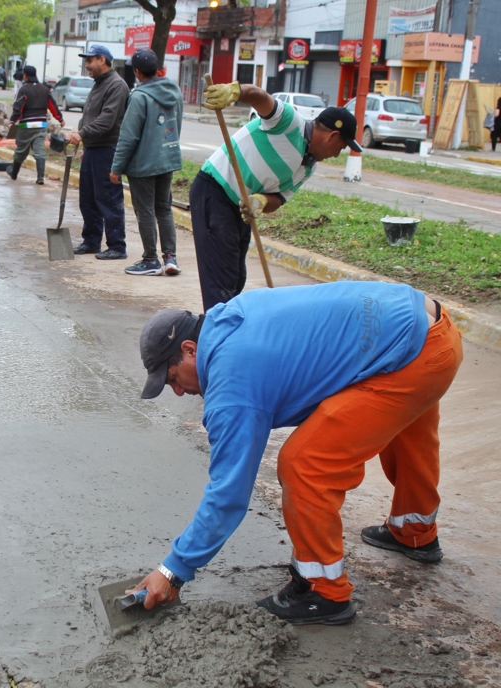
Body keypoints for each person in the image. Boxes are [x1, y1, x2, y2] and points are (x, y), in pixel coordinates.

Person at [131, 280, 462, 625]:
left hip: (411, 353)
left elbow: (228, 494)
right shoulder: (229, 318)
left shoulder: (232, 384)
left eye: (172, 379)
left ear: (189, 349)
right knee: (409, 427)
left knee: (304, 464)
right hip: (428, 330)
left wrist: (173, 571)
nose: (179, 392)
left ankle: (323, 591)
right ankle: (415, 530)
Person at [192, 81, 362, 311]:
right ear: (332, 136)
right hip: (215, 190)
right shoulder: (289, 123)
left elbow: (279, 198)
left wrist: (261, 202)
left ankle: (227, 331)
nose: (336, 155)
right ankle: (216, 337)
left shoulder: (308, 167)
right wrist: (232, 92)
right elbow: (258, 96)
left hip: (240, 207)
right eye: (341, 148)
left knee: (235, 278)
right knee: (220, 279)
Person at [111, 49, 183, 277]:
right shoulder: (175, 92)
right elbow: (176, 125)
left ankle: (150, 260)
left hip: (143, 164)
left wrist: (116, 167)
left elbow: (129, 135)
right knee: (164, 208)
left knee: (145, 212)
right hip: (167, 159)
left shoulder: (139, 96)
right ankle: (170, 258)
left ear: (137, 72)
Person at [66, 45, 130, 260]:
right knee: (89, 199)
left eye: (90, 60)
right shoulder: (99, 84)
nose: (87, 65)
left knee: (108, 199)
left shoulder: (117, 86)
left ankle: (117, 246)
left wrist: (82, 134)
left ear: (102, 60)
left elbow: (107, 120)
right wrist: (85, 145)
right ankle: (91, 241)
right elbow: (90, 116)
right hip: (93, 149)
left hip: (108, 149)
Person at [8, 65, 64, 185]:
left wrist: (12, 121)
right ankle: (40, 178)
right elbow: (52, 105)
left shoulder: (23, 89)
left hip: (26, 126)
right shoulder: (44, 89)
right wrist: (60, 119)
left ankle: (14, 173)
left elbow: (18, 107)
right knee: (39, 151)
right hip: (41, 124)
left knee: (21, 150)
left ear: (25, 76)